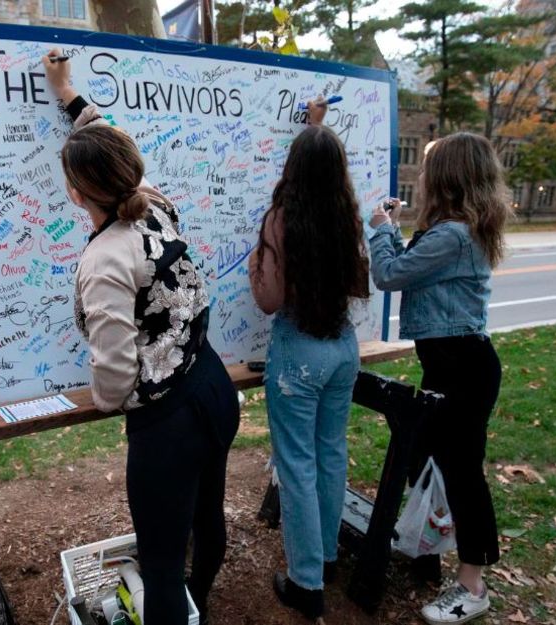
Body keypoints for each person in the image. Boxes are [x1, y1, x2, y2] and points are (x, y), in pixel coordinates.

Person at [42, 49, 240, 625]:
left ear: (76, 194)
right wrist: (69, 96)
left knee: (159, 559)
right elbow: (106, 138)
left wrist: (107, 402)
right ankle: (199, 604)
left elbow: (114, 366)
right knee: (207, 520)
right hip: (213, 387)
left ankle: (181, 613)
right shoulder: (153, 201)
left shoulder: (104, 259)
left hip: (168, 424)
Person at [368, 132, 511, 625]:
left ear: (448, 177)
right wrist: (399, 226)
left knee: (463, 474)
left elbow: (389, 274)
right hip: (452, 363)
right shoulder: (456, 228)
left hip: (463, 369)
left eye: (430, 168)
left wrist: (381, 228)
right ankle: (427, 547)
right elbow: (418, 267)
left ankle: (472, 586)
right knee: (421, 457)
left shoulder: (454, 234)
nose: (423, 175)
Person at [249, 100, 371, 620]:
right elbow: (358, 282)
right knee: (330, 454)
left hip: (298, 350)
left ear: (290, 171)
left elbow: (270, 300)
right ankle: (324, 556)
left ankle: (305, 585)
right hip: (343, 347)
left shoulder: (281, 220)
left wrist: (257, 268)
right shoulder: (349, 215)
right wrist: (316, 126)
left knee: (296, 466)